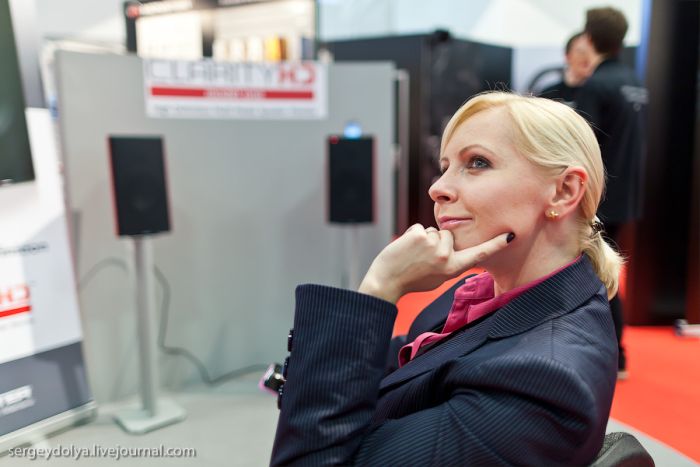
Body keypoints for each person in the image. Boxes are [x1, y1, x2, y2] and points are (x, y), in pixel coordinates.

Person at [271, 92, 621, 466]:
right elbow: (396, 367)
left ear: (564, 191)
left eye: (477, 163)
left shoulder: (543, 381)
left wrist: (380, 289)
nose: (437, 188)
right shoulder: (480, 292)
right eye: (446, 166)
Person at [576, 7, 648, 379]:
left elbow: (580, 146)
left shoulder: (597, 86)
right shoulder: (633, 82)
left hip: (599, 199)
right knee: (605, 271)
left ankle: (613, 354)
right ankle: (614, 353)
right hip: (624, 197)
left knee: (599, 274)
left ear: (588, 39)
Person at [539, 31, 595, 106]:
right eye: (581, 51)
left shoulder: (599, 93)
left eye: (592, 52)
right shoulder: (548, 95)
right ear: (567, 56)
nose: (587, 57)